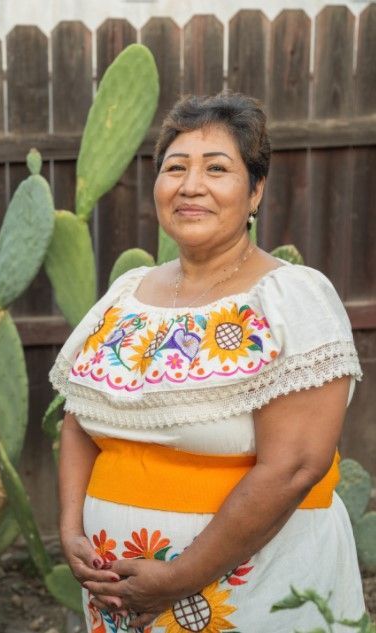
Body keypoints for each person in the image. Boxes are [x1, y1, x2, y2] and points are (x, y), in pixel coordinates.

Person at [49, 92, 366, 632]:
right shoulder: (126, 295)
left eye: (217, 168)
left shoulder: (292, 297)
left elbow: (294, 467)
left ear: (255, 190)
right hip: (118, 597)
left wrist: (177, 579)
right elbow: (79, 420)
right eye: (176, 168)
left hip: (255, 590)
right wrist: (72, 532)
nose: (191, 185)